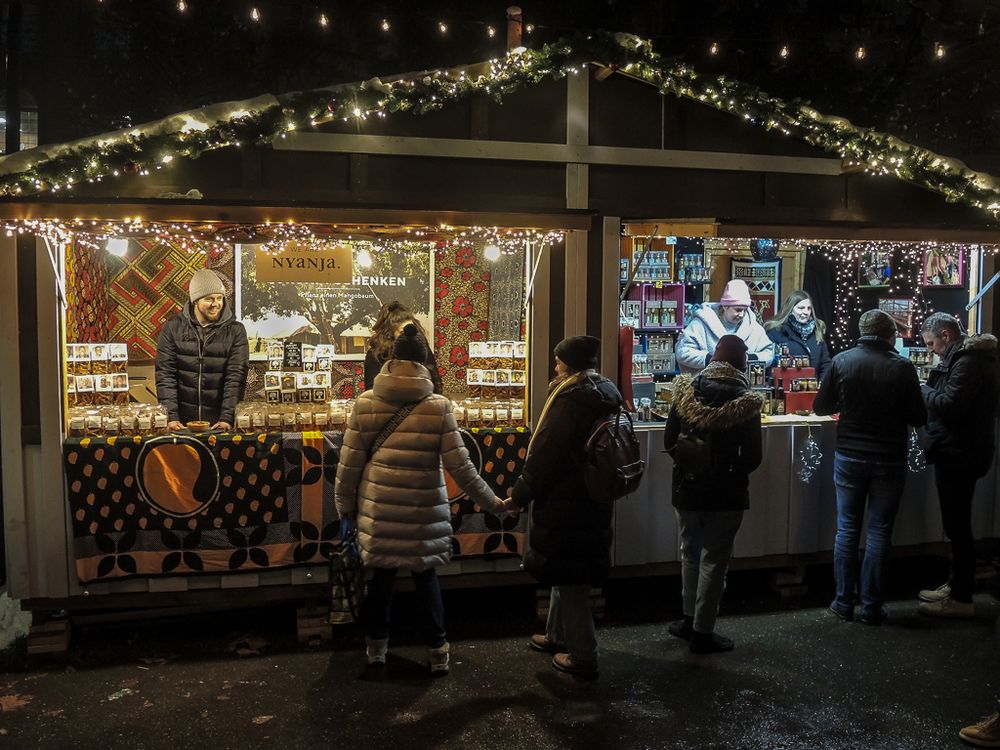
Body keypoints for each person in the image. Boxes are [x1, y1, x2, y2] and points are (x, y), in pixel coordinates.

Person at [335, 324, 505, 675]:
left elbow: (348, 466)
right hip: (424, 510)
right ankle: (437, 650)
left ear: (392, 359)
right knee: (426, 578)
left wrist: (345, 510)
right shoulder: (438, 407)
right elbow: (463, 469)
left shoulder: (365, 403)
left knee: (381, 580)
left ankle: (376, 649)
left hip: (380, 510)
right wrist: (495, 503)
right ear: (425, 364)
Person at [504, 335, 622, 679]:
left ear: (568, 366)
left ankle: (584, 654)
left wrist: (519, 496)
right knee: (567, 570)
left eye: (558, 361)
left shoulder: (571, 400)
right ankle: (557, 635)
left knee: (571, 579)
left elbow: (544, 455)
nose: (554, 367)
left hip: (568, 501)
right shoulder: (604, 393)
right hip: (592, 499)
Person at [813, 309, 926, 625]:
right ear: (889, 334)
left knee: (847, 529)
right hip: (889, 457)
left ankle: (843, 602)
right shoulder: (902, 367)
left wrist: (847, 406)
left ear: (862, 332)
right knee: (879, 532)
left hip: (849, 454)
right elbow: (918, 416)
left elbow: (820, 406)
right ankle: (872, 607)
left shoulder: (842, 361)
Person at [663, 335, 763, 653]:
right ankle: (703, 633)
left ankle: (688, 619)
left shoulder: (686, 393)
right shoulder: (746, 401)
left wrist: (690, 468)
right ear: (742, 363)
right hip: (726, 494)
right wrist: (730, 472)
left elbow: (669, 442)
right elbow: (753, 456)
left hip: (686, 489)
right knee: (715, 561)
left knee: (689, 553)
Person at [915, 313, 999, 618]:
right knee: (957, 524)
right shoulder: (970, 358)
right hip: (963, 450)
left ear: (946, 335)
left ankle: (962, 597)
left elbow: (950, 405)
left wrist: (922, 388)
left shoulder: (967, 362)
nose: (931, 350)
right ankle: (956, 584)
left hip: (959, 453)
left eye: (931, 342)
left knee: (958, 525)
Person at [155, 268, 248, 431]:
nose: (216, 304)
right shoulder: (172, 328)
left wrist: (227, 417)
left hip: (219, 423)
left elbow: (235, 377)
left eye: (220, 298)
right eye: (209, 299)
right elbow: (165, 374)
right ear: (195, 301)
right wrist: (171, 416)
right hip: (181, 423)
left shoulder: (235, 330)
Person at [676, 279, 775, 374]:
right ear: (725, 306)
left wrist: (750, 358)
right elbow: (682, 352)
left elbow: (769, 353)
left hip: (743, 388)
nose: (742, 314)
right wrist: (710, 359)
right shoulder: (701, 324)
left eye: (745, 310)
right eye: (738, 309)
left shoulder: (753, 327)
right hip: (707, 386)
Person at [364, 301, 442, 394]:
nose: (409, 336)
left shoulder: (420, 347)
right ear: (389, 333)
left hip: (421, 402)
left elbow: (436, 382)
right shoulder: (375, 354)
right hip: (388, 405)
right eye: (402, 332)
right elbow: (371, 391)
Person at [764, 290, 832, 379]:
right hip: (785, 387)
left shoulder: (817, 330)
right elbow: (769, 364)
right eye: (801, 308)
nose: (806, 312)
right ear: (790, 309)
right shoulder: (775, 332)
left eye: (809, 308)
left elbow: (825, 364)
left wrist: (821, 385)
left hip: (812, 388)